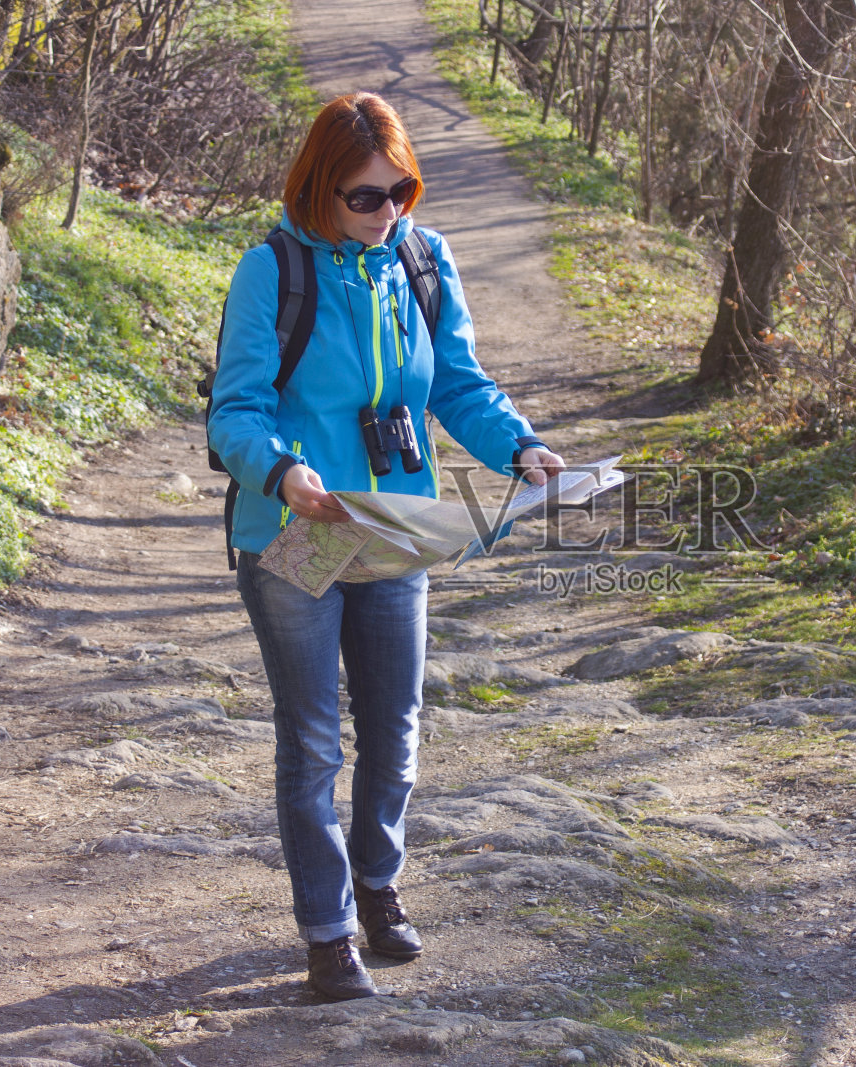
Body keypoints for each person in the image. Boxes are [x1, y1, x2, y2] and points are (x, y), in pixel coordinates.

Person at [207, 92, 564, 1001]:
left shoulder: (422, 259)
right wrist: (282, 471)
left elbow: (459, 385)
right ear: (320, 187)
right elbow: (234, 411)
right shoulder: (272, 271)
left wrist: (520, 447)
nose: (387, 210)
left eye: (400, 190)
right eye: (365, 196)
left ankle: (377, 884)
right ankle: (328, 934)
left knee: (396, 730)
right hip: (298, 535)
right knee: (313, 743)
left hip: (397, 529)